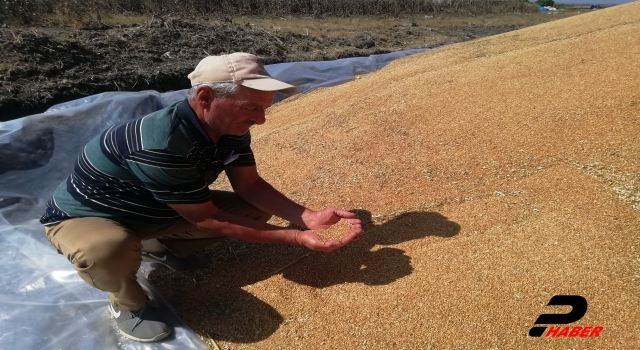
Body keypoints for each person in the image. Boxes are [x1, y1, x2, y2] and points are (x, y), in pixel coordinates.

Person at [40, 52, 364, 342]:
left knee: (251, 209)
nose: (260, 120)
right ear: (206, 96)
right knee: (107, 249)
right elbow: (209, 218)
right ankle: (128, 305)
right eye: (251, 107)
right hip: (89, 217)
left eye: (265, 108)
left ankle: (158, 247)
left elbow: (249, 186)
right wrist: (297, 237)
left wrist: (307, 217)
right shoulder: (160, 144)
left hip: (158, 207)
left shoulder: (229, 129)